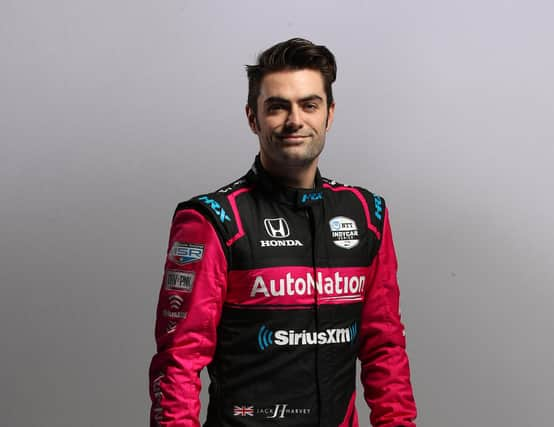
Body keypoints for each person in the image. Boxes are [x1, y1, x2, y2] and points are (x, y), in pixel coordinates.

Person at [149, 38, 417, 427]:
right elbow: (179, 361)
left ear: (329, 115)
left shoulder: (366, 213)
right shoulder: (213, 218)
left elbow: (385, 348)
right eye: (277, 107)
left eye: (309, 105)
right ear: (252, 118)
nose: (295, 120)